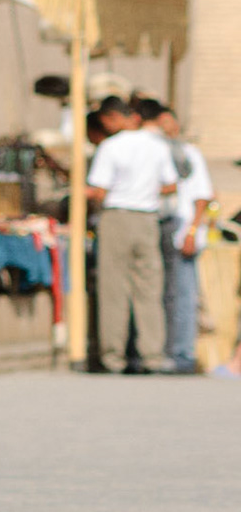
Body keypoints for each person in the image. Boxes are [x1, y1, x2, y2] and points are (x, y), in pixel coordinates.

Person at [86, 96, 177, 374]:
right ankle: (152, 355)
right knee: (149, 289)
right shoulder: (158, 146)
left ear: (112, 118)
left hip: (117, 217)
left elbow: (99, 190)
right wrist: (145, 191)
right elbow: (171, 185)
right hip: (147, 219)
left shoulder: (110, 147)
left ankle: (113, 356)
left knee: (114, 289)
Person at [145, 101, 213, 372]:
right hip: (162, 225)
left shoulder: (188, 154)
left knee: (183, 294)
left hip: (183, 227)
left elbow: (202, 196)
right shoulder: (155, 152)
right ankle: (164, 349)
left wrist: (193, 231)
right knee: (163, 292)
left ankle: (183, 354)